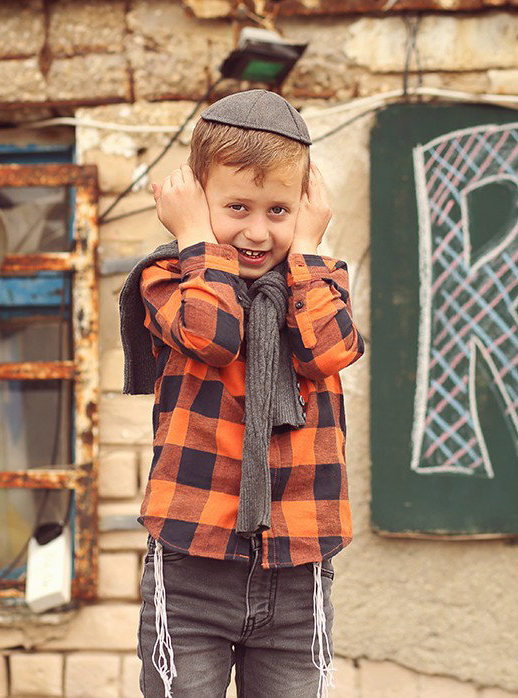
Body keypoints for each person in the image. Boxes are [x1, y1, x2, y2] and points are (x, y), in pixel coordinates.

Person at [119, 88, 365, 698]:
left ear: (305, 207)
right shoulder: (169, 276)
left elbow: (330, 351)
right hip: (191, 565)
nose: (257, 231)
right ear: (199, 203)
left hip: (296, 567)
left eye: (278, 210)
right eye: (236, 207)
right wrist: (199, 240)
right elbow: (213, 335)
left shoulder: (318, 284)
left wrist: (306, 249)